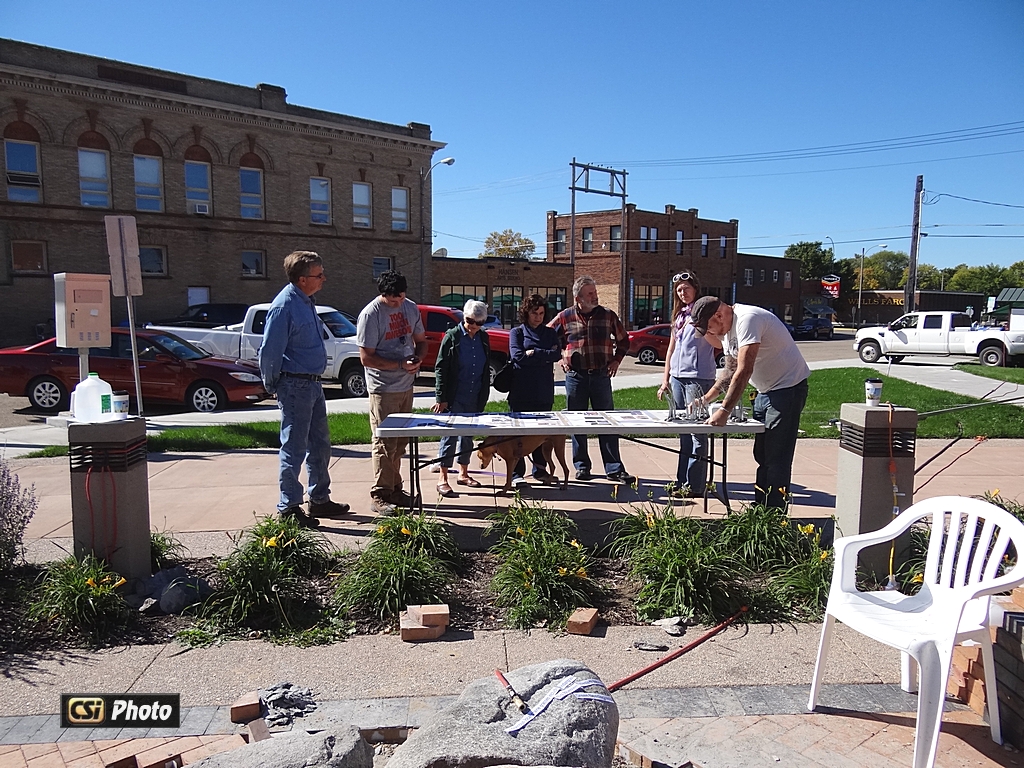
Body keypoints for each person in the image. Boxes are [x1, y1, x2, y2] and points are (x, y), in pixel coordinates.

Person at [690, 295, 810, 511]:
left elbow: (745, 370)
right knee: (762, 455)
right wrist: (705, 399)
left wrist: (724, 410)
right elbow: (730, 371)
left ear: (719, 315)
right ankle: (760, 507)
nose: (710, 334)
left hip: (788, 390)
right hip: (765, 391)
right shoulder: (727, 330)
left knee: (777, 457)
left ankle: (774, 514)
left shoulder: (748, 319)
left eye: (709, 327)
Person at [259, 251, 351, 529]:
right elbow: (269, 352)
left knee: (320, 444)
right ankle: (288, 507)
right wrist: (272, 384)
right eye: (318, 274)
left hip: (312, 383)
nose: (324, 278)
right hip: (295, 385)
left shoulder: (306, 301)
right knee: (294, 448)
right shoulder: (284, 306)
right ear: (302, 279)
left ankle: (319, 498)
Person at [549, 276, 636, 484]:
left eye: (595, 292)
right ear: (578, 298)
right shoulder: (565, 316)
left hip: (601, 376)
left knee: (607, 422)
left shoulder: (608, 315)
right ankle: (582, 466)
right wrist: (561, 356)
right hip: (575, 377)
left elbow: (624, 340)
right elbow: (548, 337)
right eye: (590, 293)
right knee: (577, 422)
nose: (595, 296)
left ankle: (614, 468)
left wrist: (616, 360)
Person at [357, 270, 427, 516]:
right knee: (384, 442)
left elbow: (421, 341)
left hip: (406, 385)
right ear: (383, 294)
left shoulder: (411, 308)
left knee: (400, 443)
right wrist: (399, 365)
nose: (397, 303)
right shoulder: (371, 314)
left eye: (401, 297)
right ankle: (380, 494)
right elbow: (366, 358)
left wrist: (418, 359)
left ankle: (395, 489)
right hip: (383, 388)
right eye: (392, 300)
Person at [656, 271, 720, 497]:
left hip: (698, 377)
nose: (682, 293)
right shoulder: (679, 316)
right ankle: (682, 480)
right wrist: (665, 379)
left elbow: (718, 343)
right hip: (677, 377)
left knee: (697, 432)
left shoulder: (704, 314)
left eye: (686, 288)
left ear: (695, 289)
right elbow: (671, 350)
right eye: (679, 290)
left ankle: (695, 485)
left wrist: (702, 326)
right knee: (683, 432)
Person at [431, 300, 492, 496]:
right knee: (449, 436)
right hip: (454, 395)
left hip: (475, 393)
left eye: (478, 323)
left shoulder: (483, 337)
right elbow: (441, 368)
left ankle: (463, 473)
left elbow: (485, 367)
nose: (473, 326)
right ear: (464, 317)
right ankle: (443, 477)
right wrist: (441, 397)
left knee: (467, 436)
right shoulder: (452, 336)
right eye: (469, 321)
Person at [508, 294, 562, 487]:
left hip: (543, 390)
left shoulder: (549, 333)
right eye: (534, 313)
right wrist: (542, 357)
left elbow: (556, 355)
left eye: (541, 313)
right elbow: (518, 357)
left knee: (540, 433)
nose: (538, 317)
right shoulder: (517, 333)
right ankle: (516, 473)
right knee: (519, 434)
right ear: (526, 313)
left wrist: (535, 352)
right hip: (521, 391)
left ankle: (540, 469)